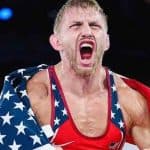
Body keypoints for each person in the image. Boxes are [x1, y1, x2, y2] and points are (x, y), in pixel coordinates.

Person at [0, 0, 150, 149]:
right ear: (57, 42)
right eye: (76, 25)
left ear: (106, 42)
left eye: (94, 26)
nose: (87, 32)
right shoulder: (34, 95)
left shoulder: (130, 100)